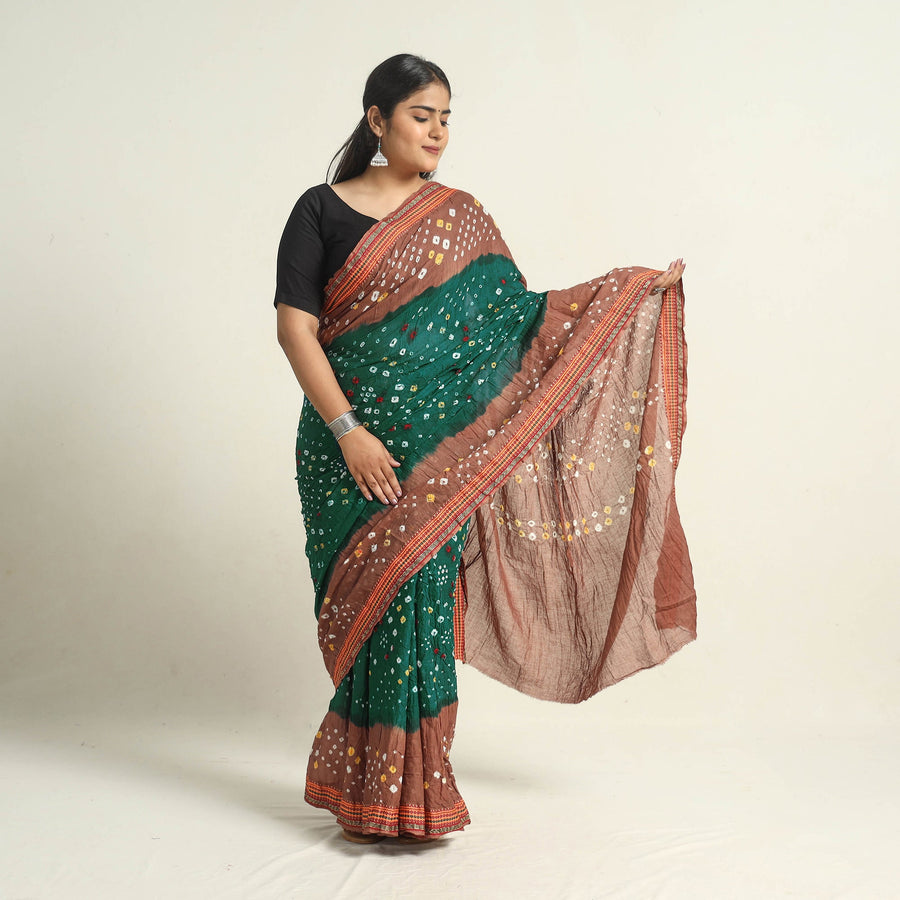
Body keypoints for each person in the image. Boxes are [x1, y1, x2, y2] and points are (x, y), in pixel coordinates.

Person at [274, 53, 696, 845]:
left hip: (437, 458)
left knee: (422, 603)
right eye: (420, 115)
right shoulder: (320, 210)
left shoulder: (459, 217)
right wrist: (350, 432)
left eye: (445, 117)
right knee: (370, 610)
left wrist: (624, 295)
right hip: (344, 447)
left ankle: (412, 798)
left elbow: (515, 327)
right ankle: (366, 794)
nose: (436, 131)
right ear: (377, 120)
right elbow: (295, 328)